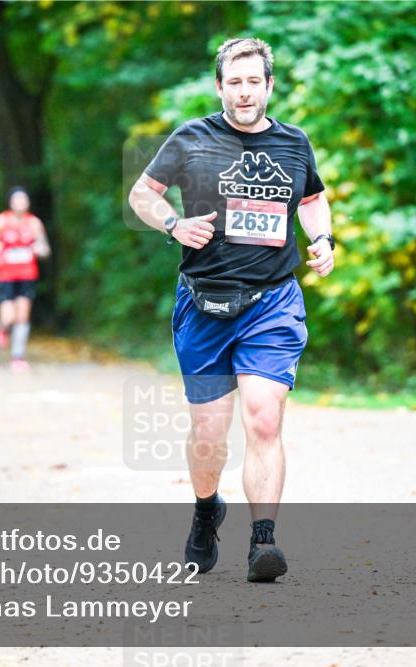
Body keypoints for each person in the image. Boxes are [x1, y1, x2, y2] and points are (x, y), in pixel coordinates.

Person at [127, 38, 335, 582]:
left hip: (272, 301)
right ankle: (205, 510)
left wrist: (324, 240)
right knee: (209, 437)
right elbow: (141, 195)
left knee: (264, 418)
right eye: (234, 82)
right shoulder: (191, 139)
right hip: (204, 303)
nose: (244, 92)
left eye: (253, 82)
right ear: (220, 87)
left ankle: (263, 542)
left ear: (269, 86)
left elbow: (312, 201)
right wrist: (173, 224)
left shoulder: (294, 144)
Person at [0, 187, 51, 372]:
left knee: (23, 315)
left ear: (27, 203)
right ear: (10, 202)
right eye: (16, 200)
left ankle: (17, 356)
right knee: (8, 315)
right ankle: (1, 328)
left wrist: (39, 249)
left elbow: (44, 247)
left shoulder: (34, 223)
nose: (20, 203)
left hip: (27, 274)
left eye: (23, 200)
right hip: (5, 274)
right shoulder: (0, 221)